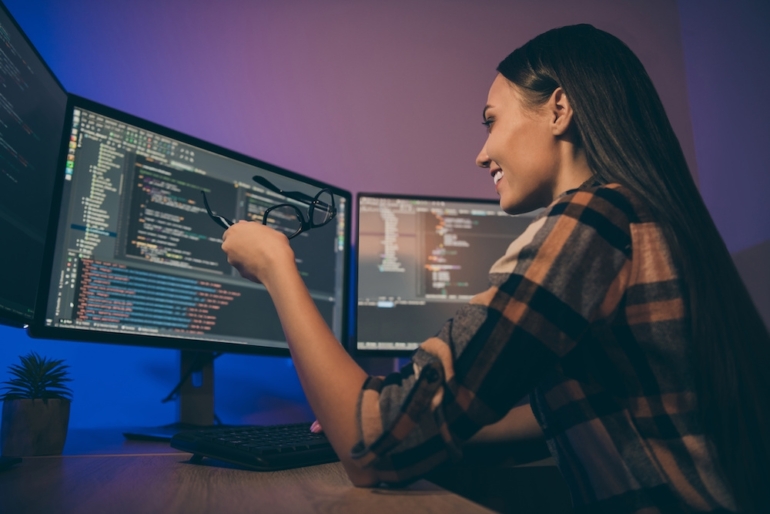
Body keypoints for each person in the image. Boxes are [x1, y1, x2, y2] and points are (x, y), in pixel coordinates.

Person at [221, 24, 769, 513]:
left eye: (492, 122)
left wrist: (276, 267)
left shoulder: (594, 221)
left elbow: (375, 449)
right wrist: (437, 423)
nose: (482, 155)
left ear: (559, 110)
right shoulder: (645, 211)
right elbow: (590, 403)